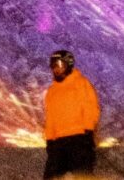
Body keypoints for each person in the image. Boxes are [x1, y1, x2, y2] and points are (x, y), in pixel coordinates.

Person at [44, 49, 100, 179]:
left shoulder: (81, 83)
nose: (56, 69)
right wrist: (49, 139)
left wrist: (88, 131)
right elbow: (50, 117)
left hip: (79, 138)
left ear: (68, 64)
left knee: (83, 176)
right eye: (53, 65)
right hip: (58, 142)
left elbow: (90, 107)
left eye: (59, 64)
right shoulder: (52, 90)